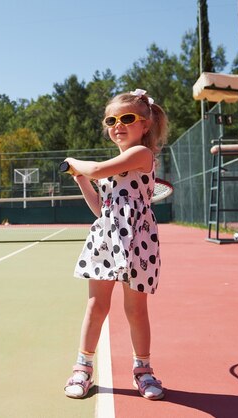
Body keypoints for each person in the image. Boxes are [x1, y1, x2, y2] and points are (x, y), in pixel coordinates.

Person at [63, 89, 168, 400]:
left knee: (136, 310)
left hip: (138, 239)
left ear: (145, 125)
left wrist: (74, 163)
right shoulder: (111, 166)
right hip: (106, 237)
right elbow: (100, 207)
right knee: (97, 307)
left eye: (127, 118)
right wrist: (80, 179)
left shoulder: (142, 154)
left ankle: (143, 370)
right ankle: (82, 368)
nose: (117, 125)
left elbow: (95, 169)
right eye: (111, 119)